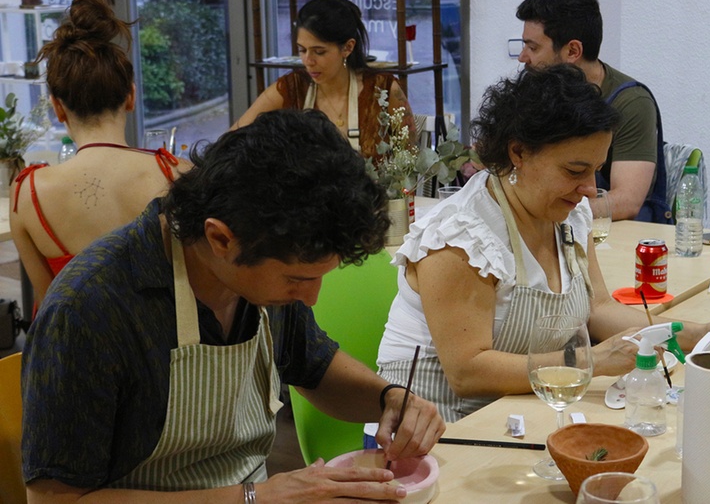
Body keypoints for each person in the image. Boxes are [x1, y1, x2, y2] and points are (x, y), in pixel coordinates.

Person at [21, 108, 445, 502]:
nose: (312, 297)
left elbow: (315, 367)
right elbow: (54, 500)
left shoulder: (262, 280)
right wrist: (252, 497)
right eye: (299, 279)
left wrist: (390, 398)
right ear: (221, 238)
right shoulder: (89, 309)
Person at [376, 65, 710, 423]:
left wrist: (698, 334)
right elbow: (467, 371)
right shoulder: (460, 238)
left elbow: (597, 309)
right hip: (435, 428)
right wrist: (590, 361)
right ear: (518, 153)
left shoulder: (568, 213)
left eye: (596, 170)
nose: (591, 190)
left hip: (522, 410)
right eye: (575, 170)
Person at [10, 0, 188, 307]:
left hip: (74, 354)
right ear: (131, 97)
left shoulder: (27, 193)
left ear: (57, 107)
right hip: (167, 353)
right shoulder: (179, 175)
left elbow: (46, 305)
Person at [516, 0, 667, 222]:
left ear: (573, 50)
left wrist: (546, 212)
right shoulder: (535, 91)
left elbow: (626, 201)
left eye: (533, 47)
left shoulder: (631, 102)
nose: (523, 57)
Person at [232, 0, 415, 159]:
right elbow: (232, 141)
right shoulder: (292, 88)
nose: (308, 61)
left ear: (348, 48)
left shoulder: (382, 89)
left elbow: (410, 160)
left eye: (319, 52)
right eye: (302, 50)